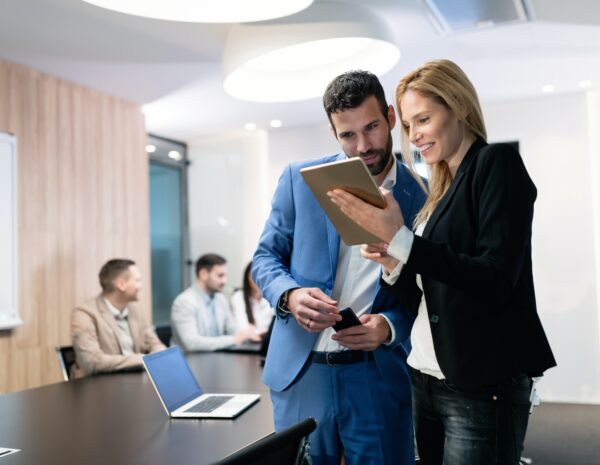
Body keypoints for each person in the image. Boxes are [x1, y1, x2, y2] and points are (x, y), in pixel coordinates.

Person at [328, 59, 557, 465]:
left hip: (479, 382)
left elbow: (496, 277)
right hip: (427, 376)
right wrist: (391, 259)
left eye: (424, 119)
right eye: (409, 127)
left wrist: (401, 240)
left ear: (460, 108)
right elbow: (427, 292)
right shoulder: (439, 188)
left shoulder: (497, 165)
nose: (414, 136)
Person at [252, 70, 427, 465]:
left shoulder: (423, 195)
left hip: (377, 375)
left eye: (372, 128)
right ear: (333, 132)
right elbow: (265, 257)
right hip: (302, 373)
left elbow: (429, 288)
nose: (363, 145)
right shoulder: (298, 179)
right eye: (348, 135)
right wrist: (290, 294)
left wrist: (390, 325)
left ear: (390, 117)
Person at [71, 258, 165, 378]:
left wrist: (161, 353)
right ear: (121, 285)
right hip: (98, 385)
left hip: (134, 379)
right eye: (137, 280)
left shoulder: (136, 309)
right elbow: (92, 361)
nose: (140, 286)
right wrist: (143, 360)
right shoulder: (84, 313)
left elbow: (153, 342)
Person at [171, 253, 259, 352]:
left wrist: (247, 334)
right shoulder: (184, 302)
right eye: (220, 275)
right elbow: (192, 343)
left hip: (216, 358)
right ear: (203, 274)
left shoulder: (220, 299)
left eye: (225, 275)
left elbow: (231, 329)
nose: (225, 281)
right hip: (191, 362)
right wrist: (234, 340)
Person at [230, 261, 273, 334]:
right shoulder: (238, 297)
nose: (258, 279)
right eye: (254, 275)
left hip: (266, 342)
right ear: (247, 277)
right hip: (247, 343)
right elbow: (242, 329)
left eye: (262, 275)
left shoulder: (270, 297)